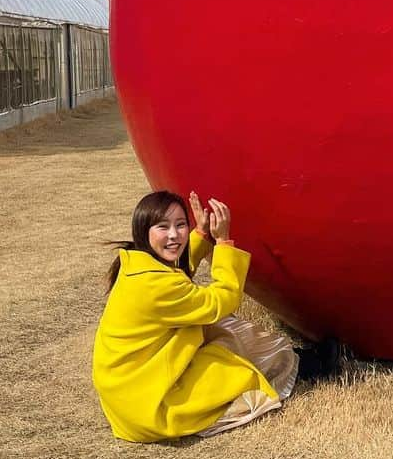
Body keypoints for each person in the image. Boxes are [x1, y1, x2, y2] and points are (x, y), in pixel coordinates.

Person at [93, 189, 328, 442]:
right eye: (163, 227)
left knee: (221, 331)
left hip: (132, 391)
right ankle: (302, 366)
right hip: (152, 403)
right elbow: (221, 301)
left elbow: (179, 275)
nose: (174, 235)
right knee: (238, 367)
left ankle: (293, 360)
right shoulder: (155, 285)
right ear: (143, 232)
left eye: (181, 225)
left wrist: (201, 234)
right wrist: (223, 242)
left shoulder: (138, 266)